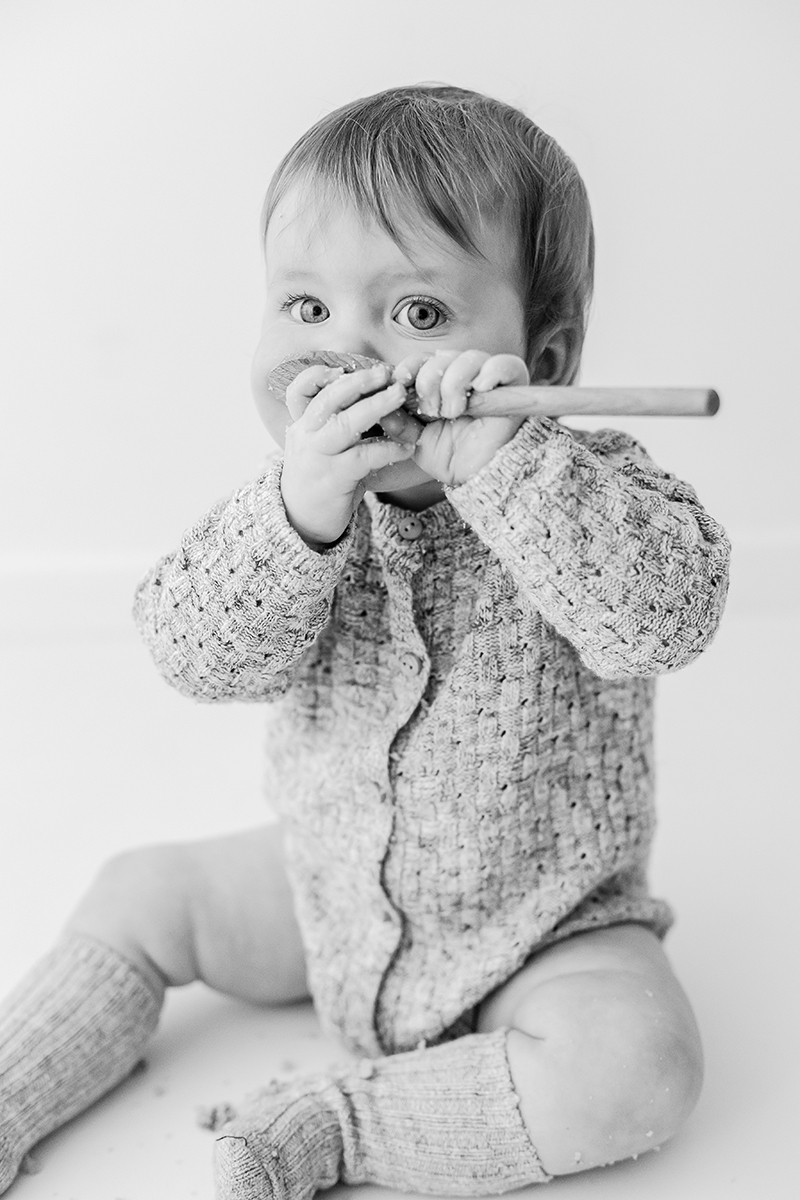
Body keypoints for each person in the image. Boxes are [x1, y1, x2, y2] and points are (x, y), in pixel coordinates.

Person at [0, 84, 730, 1199]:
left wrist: (508, 463)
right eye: (302, 307)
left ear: (544, 352)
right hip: (327, 888)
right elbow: (193, 653)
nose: (345, 353)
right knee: (139, 889)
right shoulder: (294, 504)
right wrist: (299, 521)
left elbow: (661, 619)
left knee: (638, 1070)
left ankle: (335, 1128)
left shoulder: (579, 483)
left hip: (540, 928)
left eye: (418, 315)